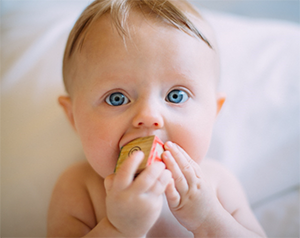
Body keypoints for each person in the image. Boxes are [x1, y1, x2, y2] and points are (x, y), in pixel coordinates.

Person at [47, 0, 266, 237]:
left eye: (176, 95)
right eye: (117, 98)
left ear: (213, 112)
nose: (149, 117)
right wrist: (119, 228)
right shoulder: (79, 188)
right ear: (73, 117)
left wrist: (209, 219)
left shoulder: (217, 184)